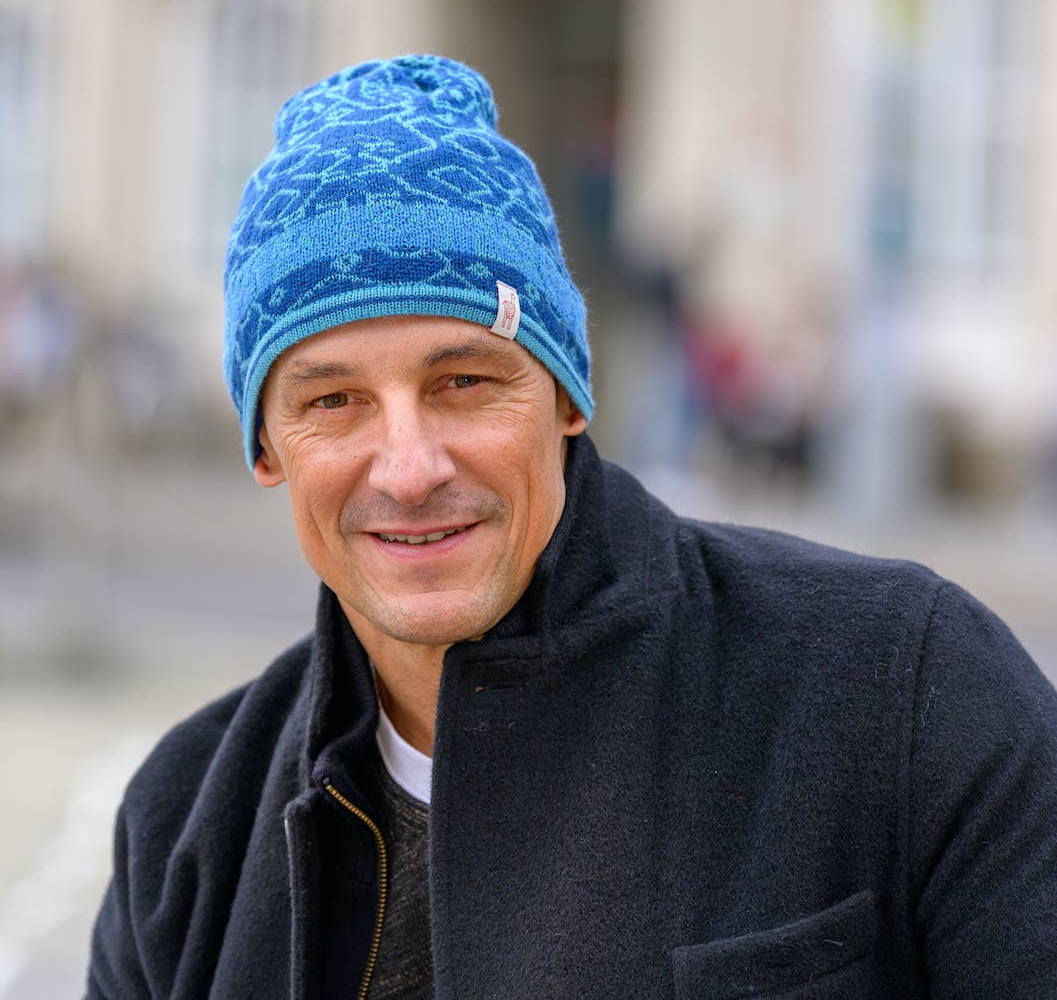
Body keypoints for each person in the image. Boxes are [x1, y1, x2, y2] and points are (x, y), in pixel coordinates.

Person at [86, 55, 1057, 999]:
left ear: (567, 397)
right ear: (266, 448)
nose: (411, 469)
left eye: (463, 382)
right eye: (332, 401)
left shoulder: (903, 689)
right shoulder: (182, 827)